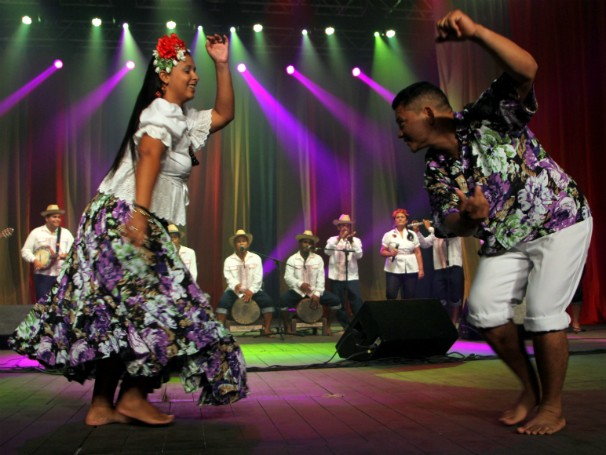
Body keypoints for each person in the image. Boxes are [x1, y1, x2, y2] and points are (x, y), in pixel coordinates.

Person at [10, 32, 247, 427]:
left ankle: (102, 404)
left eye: (196, 71)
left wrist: (222, 64)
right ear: (164, 76)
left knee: (117, 314)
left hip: (112, 216)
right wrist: (139, 214)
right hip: (125, 216)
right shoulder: (162, 109)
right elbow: (151, 153)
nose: (195, 77)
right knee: (170, 310)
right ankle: (134, 397)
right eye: (188, 70)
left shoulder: (183, 119)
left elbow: (224, 113)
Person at [391, 10, 592, 435]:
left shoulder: (486, 116)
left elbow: (527, 69)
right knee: (482, 311)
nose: (399, 132)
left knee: (542, 313)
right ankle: (530, 390)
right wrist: (467, 219)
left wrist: (477, 33)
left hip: (557, 220)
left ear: (427, 113)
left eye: (401, 122)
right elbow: (448, 223)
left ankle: (553, 407)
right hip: (505, 238)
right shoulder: (435, 166)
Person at [280, 230, 341, 335]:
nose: (307, 244)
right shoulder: (292, 259)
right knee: (282, 301)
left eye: (309, 242)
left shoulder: (318, 259)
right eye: (304, 242)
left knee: (336, 302)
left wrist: (317, 293)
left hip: (314, 291)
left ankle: (328, 327)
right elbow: (288, 277)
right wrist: (300, 283)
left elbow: (321, 278)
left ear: (312, 245)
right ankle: (288, 326)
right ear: (300, 243)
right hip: (298, 291)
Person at [215, 229, 275, 335]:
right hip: (235, 291)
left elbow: (258, 277)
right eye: (239, 241)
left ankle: (267, 329)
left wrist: (251, 290)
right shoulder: (229, 260)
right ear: (235, 244)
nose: (241, 243)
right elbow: (228, 277)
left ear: (247, 244)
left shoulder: (255, 258)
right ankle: (220, 332)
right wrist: (237, 286)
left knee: (268, 301)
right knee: (222, 303)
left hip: (253, 290)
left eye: (244, 241)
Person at [412, 219, 464, 325]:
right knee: (439, 294)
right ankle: (444, 321)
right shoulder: (435, 232)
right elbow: (425, 244)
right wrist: (418, 232)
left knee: (455, 295)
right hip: (439, 267)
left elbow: (445, 234)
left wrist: (428, 228)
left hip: (454, 265)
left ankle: (455, 322)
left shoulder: (455, 229)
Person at [21, 204, 75, 301]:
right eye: (54, 217)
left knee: (60, 306)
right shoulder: (36, 232)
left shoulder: (66, 233)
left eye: (59, 217)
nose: (57, 219)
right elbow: (25, 251)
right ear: (46, 218)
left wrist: (66, 255)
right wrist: (34, 260)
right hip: (42, 276)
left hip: (61, 274)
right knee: (43, 306)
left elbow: (75, 251)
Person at [325, 214, 363, 327]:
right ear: (338, 227)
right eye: (343, 225)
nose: (345, 228)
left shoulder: (356, 240)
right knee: (339, 303)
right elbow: (327, 252)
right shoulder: (332, 239)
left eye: (347, 225)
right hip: (336, 276)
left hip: (351, 276)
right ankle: (345, 326)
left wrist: (351, 242)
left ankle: (360, 325)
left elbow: (359, 255)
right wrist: (339, 239)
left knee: (356, 301)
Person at [379, 209, 424, 300]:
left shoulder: (412, 234)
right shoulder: (389, 234)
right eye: (397, 217)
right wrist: (390, 253)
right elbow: (382, 251)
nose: (400, 219)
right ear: (394, 220)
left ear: (406, 220)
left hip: (411, 267)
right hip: (393, 268)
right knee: (391, 294)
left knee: (409, 295)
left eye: (402, 217)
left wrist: (421, 269)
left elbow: (418, 252)